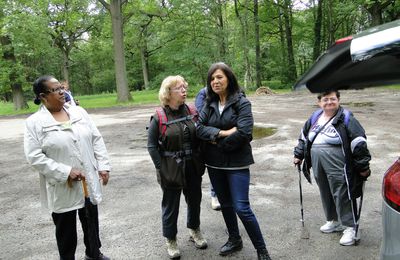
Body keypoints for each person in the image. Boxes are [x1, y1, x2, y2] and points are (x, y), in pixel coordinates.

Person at [24, 75, 111, 260]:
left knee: (91, 221)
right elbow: (34, 156)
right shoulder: (34, 122)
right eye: (56, 89)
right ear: (43, 96)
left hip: (87, 180)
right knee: (66, 230)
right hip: (62, 185)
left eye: (61, 87)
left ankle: (94, 253)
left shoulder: (79, 112)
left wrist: (103, 165)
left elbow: (96, 138)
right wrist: (65, 171)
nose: (62, 92)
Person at [196, 62, 271, 260]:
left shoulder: (242, 102)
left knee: (242, 207)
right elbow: (199, 128)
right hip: (214, 164)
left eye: (219, 77)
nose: (215, 81)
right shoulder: (209, 104)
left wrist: (217, 143)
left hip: (237, 162)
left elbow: (245, 132)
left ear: (229, 78)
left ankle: (261, 250)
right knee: (226, 204)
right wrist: (223, 132)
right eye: (212, 78)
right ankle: (234, 239)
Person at [293, 90, 371, 246]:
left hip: (338, 162)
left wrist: (363, 165)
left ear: (339, 100)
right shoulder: (315, 117)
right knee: (326, 191)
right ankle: (334, 221)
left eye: (333, 99)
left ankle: (350, 227)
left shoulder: (347, 118)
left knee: (342, 192)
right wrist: (299, 154)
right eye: (325, 99)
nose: (329, 102)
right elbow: (303, 138)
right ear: (319, 102)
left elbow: (359, 142)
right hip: (317, 162)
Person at [147, 75, 207, 259]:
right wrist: (161, 168)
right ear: (168, 93)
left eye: (185, 87)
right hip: (171, 168)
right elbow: (151, 146)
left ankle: (194, 230)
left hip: (192, 165)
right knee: (171, 205)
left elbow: (202, 134)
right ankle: (171, 240)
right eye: (179, 88)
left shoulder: (192, 110)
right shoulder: (159, 117)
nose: (184, 90)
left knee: (195, 200)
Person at [194, 87, 221, 211]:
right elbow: (201, 118)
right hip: (210, 136)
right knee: (214, 167)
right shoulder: (204, 93)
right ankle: (215, 195)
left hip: (223, 136)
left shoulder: (237, 92)